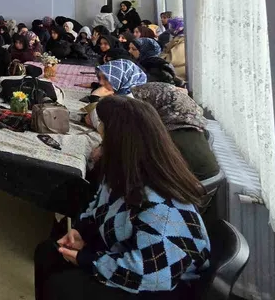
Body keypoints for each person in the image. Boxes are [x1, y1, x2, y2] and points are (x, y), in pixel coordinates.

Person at [34, 96, 210, 300]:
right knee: (48, 253)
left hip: (161, 285)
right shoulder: (123, 175)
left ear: (119, 141)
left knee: (63, 287)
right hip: (128, 252)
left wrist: (87, 260)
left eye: (104, 133)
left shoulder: (162, 209)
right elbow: (99, 205)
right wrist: (81, 231)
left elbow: (148, 274)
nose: (100, 141)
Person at [132, 83, 220, 180]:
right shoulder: (196, 128)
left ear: (156, 106)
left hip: (184, 186)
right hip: (206, 185)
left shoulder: (162, 139)